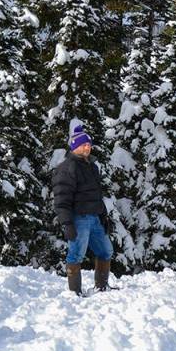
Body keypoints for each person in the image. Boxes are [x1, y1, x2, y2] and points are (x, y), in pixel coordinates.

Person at [53, 124, 114, 295]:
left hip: (95, 217)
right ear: (74, 146)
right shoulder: (66, 168)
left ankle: (102, 286)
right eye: (83, 144)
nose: (88, 147)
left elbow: (96, 194)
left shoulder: (92, 167)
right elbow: (61, 200)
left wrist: (104, 216)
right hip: (78, 218)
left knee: (106, 251)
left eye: (89, 144)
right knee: (76, 255)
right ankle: (75, 292)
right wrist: (67, 224)